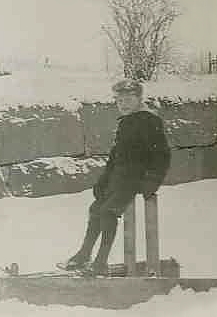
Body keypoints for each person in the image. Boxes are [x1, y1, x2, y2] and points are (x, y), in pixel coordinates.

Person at [58, 79, 171, 276]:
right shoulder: (126, 122)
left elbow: (162, 155)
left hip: (136, 178)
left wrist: (152, 181)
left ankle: (100, 262)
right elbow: (116, 155)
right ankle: (84, 254)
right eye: (119, 100)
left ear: (139, 99)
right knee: (96, 210)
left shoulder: (149, 120)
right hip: (118, 178)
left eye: (128, 99)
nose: (123, 104)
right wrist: (103, 180)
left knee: (109, 212)